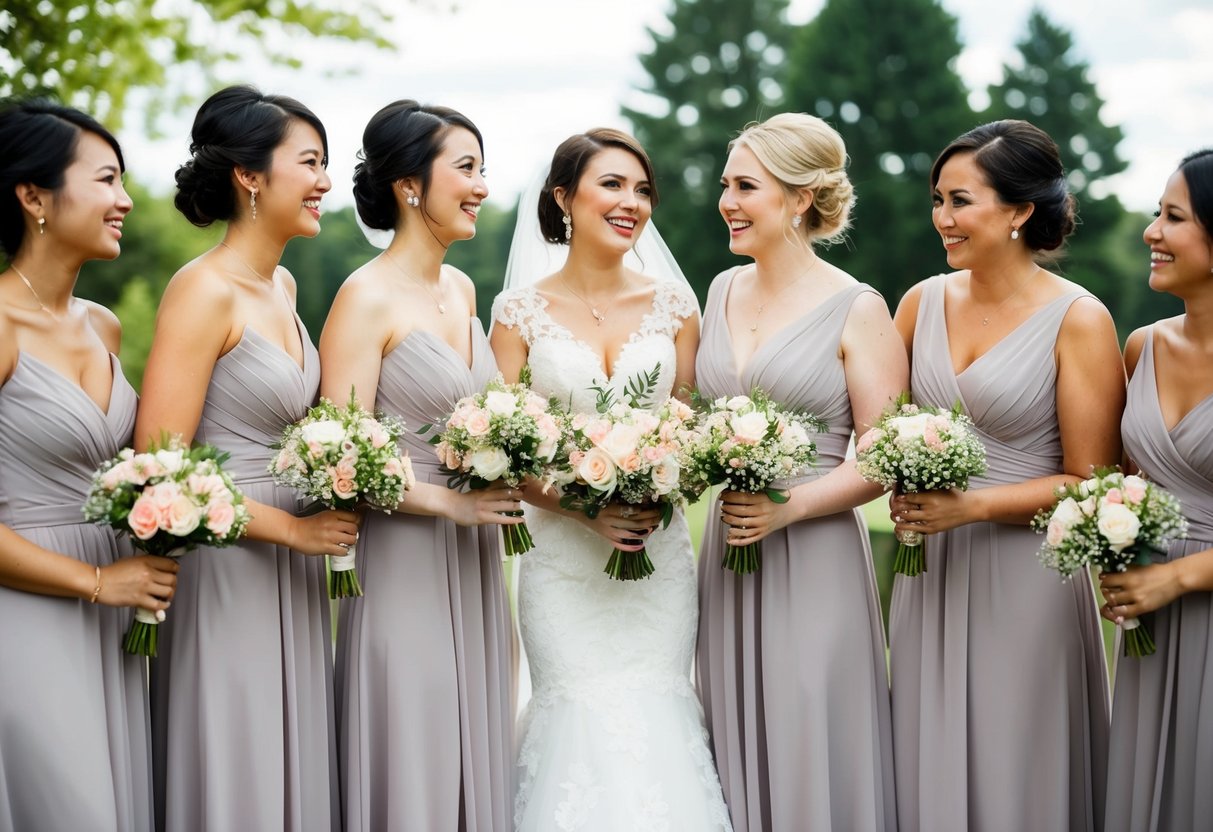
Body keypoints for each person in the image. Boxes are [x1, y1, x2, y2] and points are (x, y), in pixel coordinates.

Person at [491, 128, 731, 831]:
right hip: (560, 564)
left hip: (655, 563)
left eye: (641, 189)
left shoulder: (677, 309)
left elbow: (690, 427)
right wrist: (580, 505)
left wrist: (659, 481)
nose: (631, 202)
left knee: (657, 706)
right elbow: (498, 447)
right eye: (611, 185)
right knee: (574, 715)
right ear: (563, 197)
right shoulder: (516, 314)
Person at [888, 119, 1123, 831]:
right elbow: (879, 434)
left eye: (959, 201)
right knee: (922, 765)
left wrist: (970, 507)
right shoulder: (918, 303)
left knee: (1018, 774)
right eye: (937, 199)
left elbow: (1092, 480)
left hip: (1028, 580)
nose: (941, 218)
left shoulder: (1077, 320)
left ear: (1019, 210)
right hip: (928, 577)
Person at [135, 85, 358, 832]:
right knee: (241, 771)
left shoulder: (281, 286)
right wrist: (293, 531)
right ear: (251, 176)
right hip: (231, 562)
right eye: (310, 161)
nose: (325, 180)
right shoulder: (202, 291)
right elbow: (159, 467)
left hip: (291, 573)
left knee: (291, 771)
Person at [696, 113, 902, 832]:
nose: (726, 200)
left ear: (799, 199)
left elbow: (882, 456)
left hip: (813, 552)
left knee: (810, 728)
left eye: (745, 186)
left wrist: (791, 507)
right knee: (727, 728)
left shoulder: (857, 307)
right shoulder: (720, 290)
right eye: (725, 184)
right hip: (726, 554)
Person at [319, 100, 519, 831]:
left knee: (473, 741)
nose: (482, 187)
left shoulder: (461, 290)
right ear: (409, 186)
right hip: (403, 556)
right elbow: (341, 452)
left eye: (482, 168)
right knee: (414, 747)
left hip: (471, 559)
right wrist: (450, 505)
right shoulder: (364, 298)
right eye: (465, 169)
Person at [0, 98, 177, 832]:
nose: (125, 200)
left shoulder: (101, 323)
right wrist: (98, 581)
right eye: (105, 180)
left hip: (115, 624)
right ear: (34, 196)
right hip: (31, 616)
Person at [1100, 148, 1213, 832]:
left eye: (1171, 217)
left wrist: (1176, 579)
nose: (1150, 232)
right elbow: (1119, 486)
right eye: (1153, 214)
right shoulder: (1141, 346)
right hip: (1148, 627)